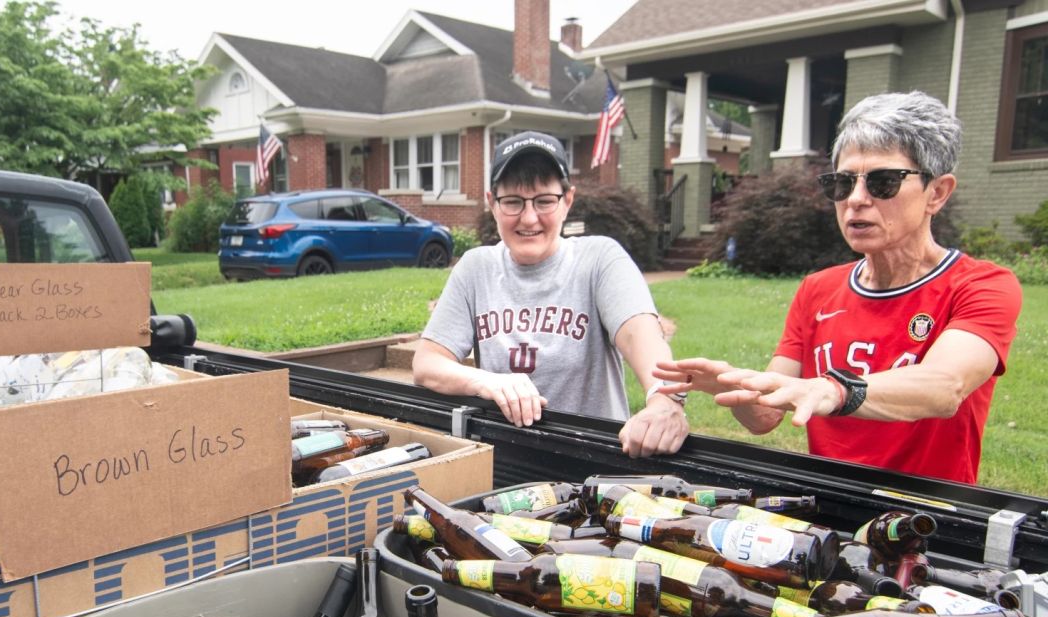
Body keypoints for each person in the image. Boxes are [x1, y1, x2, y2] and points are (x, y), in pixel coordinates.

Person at [655, 91, 1021, 484]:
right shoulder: (818, 290)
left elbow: (944, 386)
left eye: (883, 182)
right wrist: (735, 387)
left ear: (937, 193)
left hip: (926, 517)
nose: (856, 200)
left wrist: (836, 390)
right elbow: (765, 417)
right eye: (843, 183)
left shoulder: (982, 285)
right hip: (829, 508)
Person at [412, 131, 688, 456]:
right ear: (492, 203)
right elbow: (427, 364)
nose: (529, 218)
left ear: (567, 201)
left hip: (593, 462)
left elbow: (639, 335)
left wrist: (664, 400)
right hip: (507, 458)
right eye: (513, 201)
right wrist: (488, 381)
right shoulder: (476, 268)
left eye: (544, 201)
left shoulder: (599, 259)